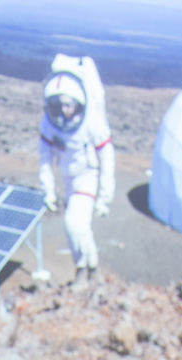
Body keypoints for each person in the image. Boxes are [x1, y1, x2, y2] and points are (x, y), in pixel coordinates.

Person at [38, 55, 115, 291]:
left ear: (79, 103)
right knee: (81, 227)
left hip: (87, 177)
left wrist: (104, 196)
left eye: (68, 105)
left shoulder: (91, 123)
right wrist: (48, 190)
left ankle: (82, 270)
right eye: (58, 105)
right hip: (69, 179)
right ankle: (93, 271)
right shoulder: (49, 124)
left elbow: (107, 157)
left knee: (74, 224)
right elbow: (45, 157)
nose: (63, 110)